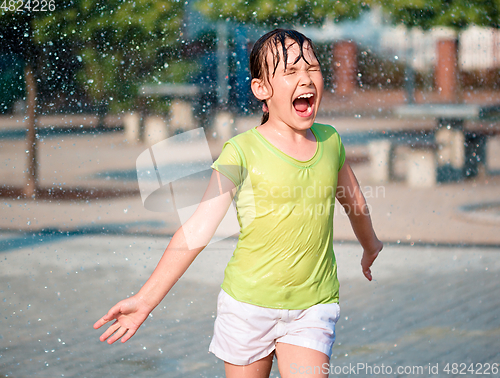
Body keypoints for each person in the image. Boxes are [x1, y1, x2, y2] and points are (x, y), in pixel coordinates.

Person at [94, 29, 383, 378]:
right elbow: (197, 231)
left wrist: (370, 244)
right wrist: (146, 299)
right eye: (290, 72)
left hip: (313, 305)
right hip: (248, 306)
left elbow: (354, 203)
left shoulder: (330, 141)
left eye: (313, 68)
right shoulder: (241, 151)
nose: (305, 79)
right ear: (262, 89)